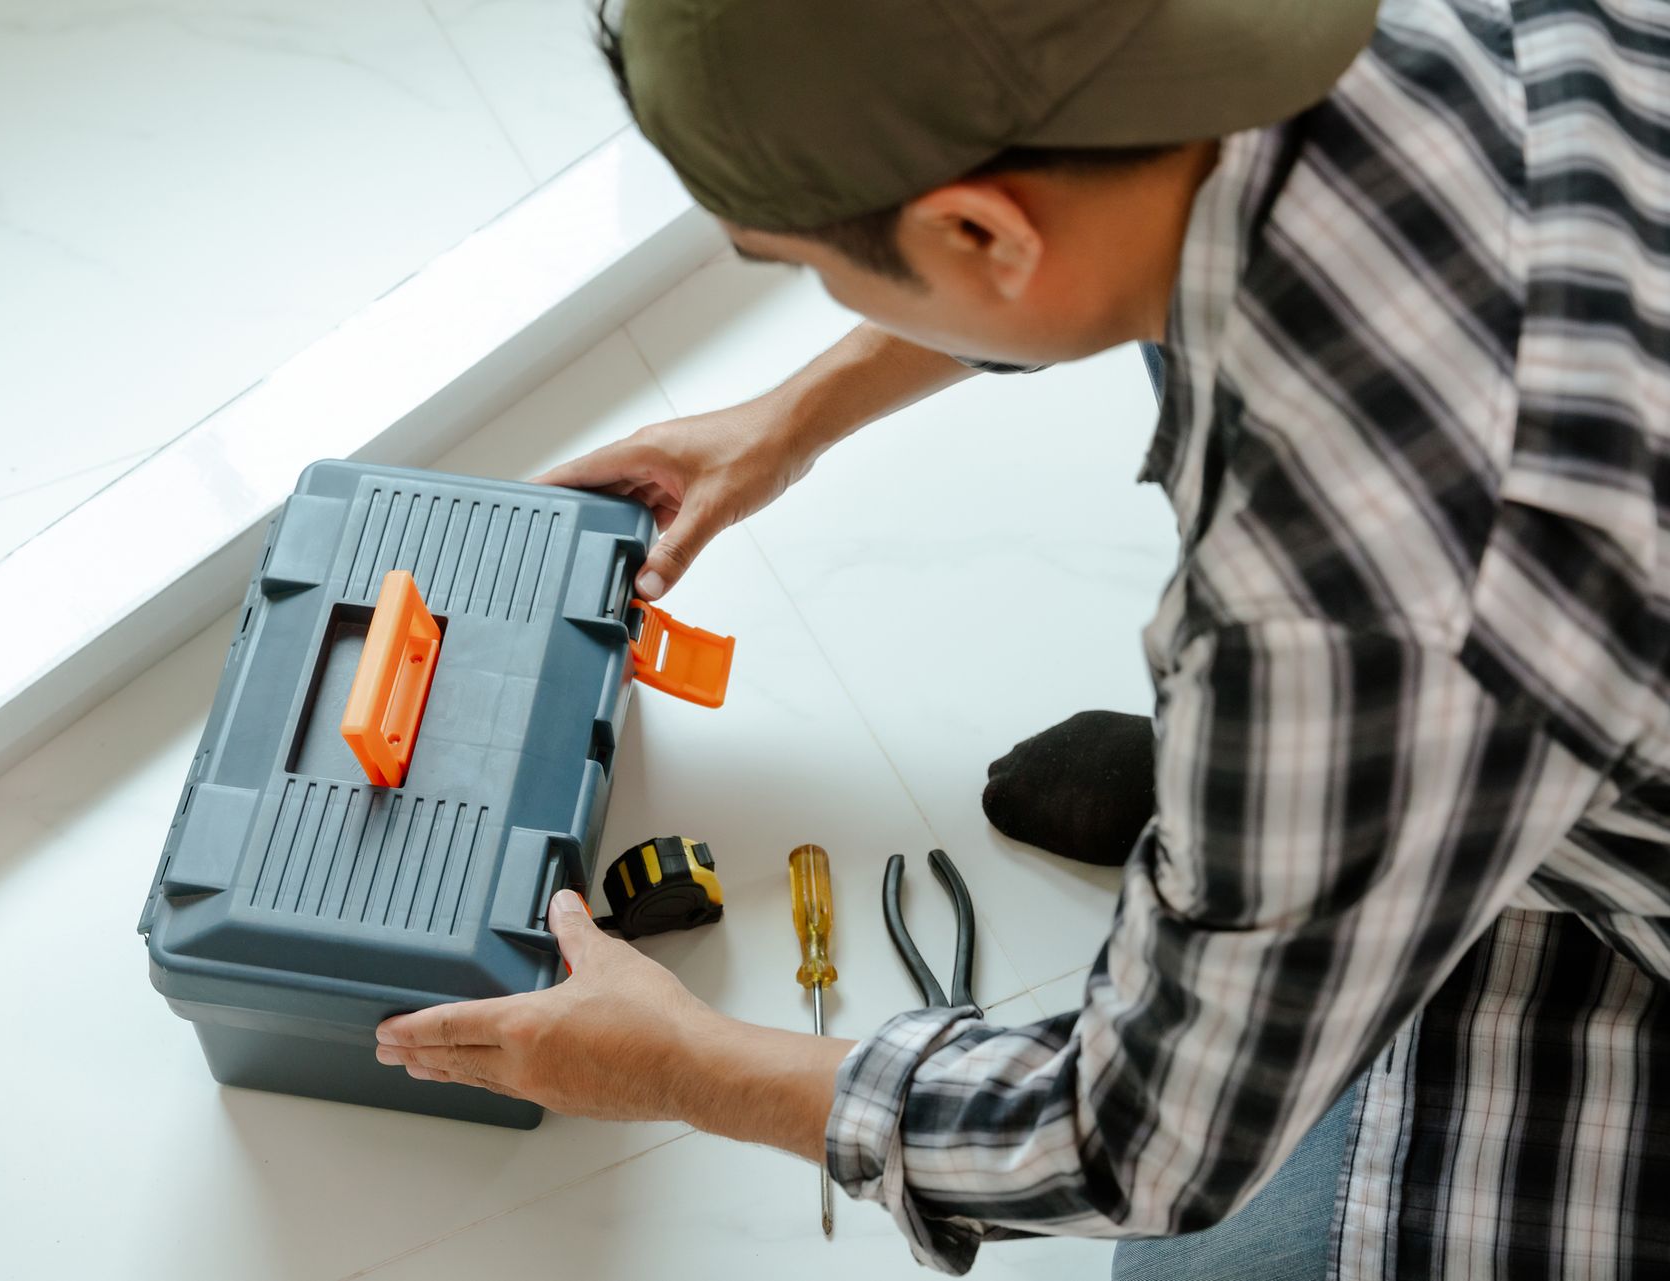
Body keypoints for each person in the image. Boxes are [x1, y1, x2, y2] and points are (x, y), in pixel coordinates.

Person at [374, 0, 1670, 1275]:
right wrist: (787, 420)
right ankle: (1273, 856)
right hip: (1566, 636)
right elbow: (1091, 228)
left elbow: (1133, 1147)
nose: (826, 292)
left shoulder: (1343, 604)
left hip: (1596, 857)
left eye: (819, 262)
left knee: (1206, 1261)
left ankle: (1286, 848)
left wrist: (680, 1064)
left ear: (982, 229)